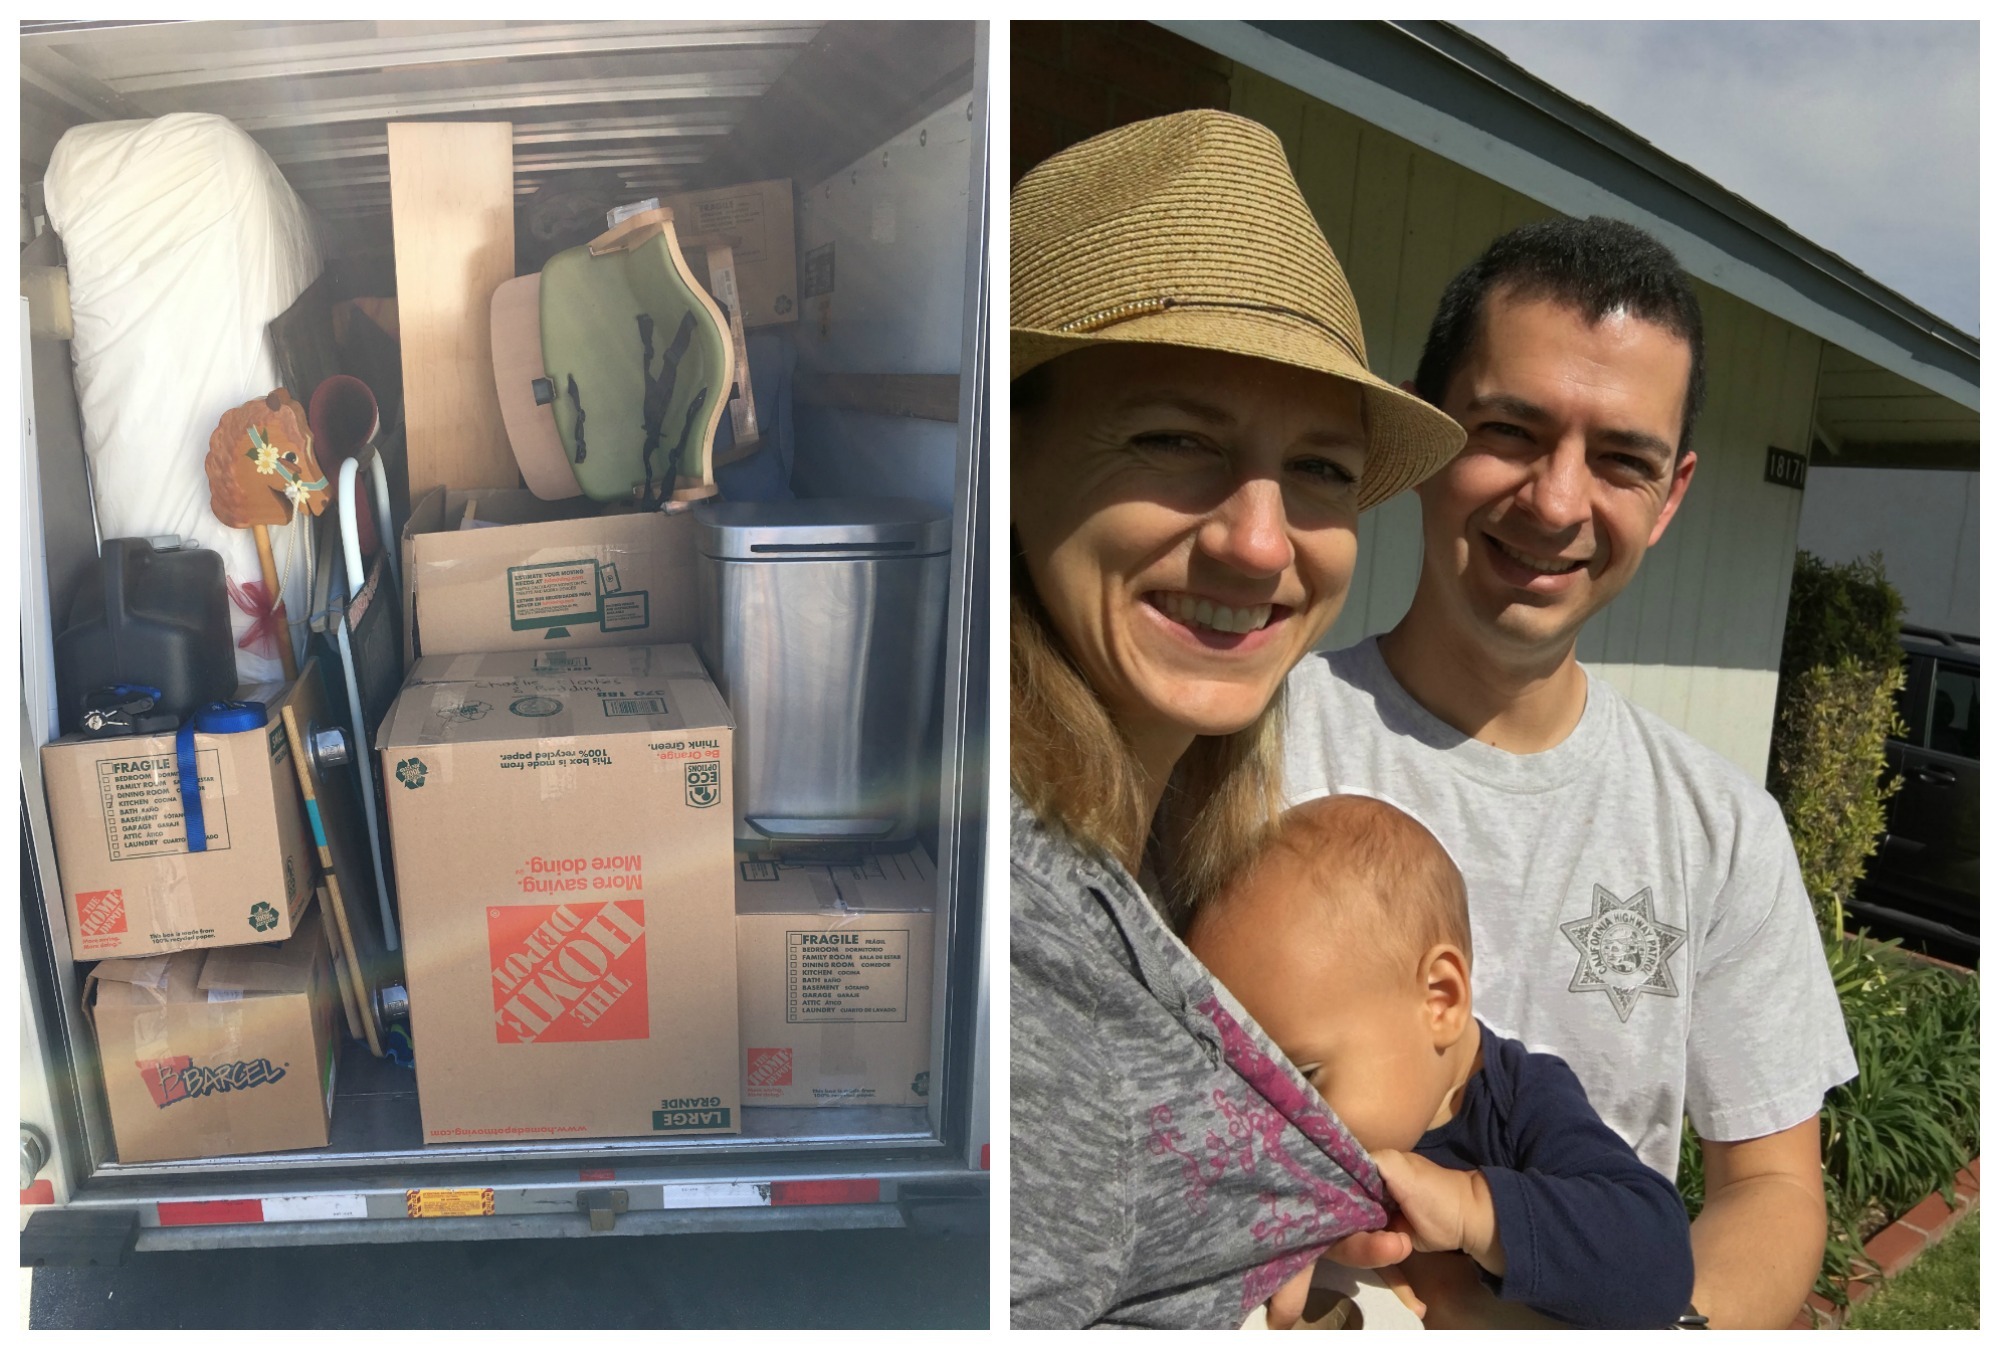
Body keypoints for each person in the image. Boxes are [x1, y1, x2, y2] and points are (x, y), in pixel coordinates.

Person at [1283, 215, 1858, 1328]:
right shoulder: (1260, 749)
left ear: (1671, 492)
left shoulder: (1719, 827)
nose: (1554, 502)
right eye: (1509, 429)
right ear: (1430, 428)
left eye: (1619, 460)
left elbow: (1773, 1189)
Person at [1008, 110, 1466, 1328]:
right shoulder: (1009, 942)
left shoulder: (1185, 847)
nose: (1258, 543)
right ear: (1003, 455)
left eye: (1319, 468)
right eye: (1171, 438)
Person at [1188, 793, 1695, 1329]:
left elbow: (1657, 1262)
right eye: (1243, 1092)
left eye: (1306, 1078)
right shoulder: (1302, 1133)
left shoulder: (1522, 1104)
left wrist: (1475, 1211)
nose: (1270, 1129)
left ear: (1440, 1000)